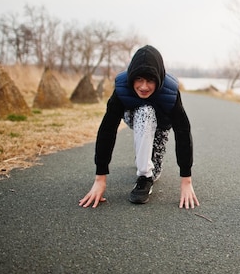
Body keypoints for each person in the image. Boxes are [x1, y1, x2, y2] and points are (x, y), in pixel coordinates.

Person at [79, 45, 199, 209]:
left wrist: (186, 180)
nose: (143, 87)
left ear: (159, 79)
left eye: (150, 80)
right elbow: (107, 129)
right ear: (131, 77)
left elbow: (183, 132)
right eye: (139, 79)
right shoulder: (122, 88)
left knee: (155, 171)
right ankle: (144, 178)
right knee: (145, 111)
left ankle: (146, 160)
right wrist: (100, 179)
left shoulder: (170, 92)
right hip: (136, 117)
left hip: (161, 126)